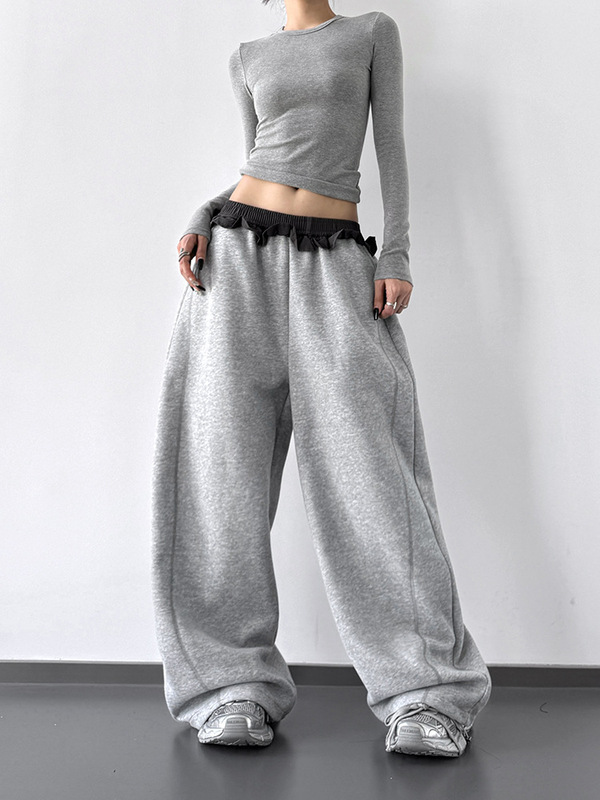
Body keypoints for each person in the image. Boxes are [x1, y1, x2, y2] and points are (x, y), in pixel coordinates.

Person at [151, 0, 492, 757]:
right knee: (219, 476)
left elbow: (390, 147)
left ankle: (426, 692)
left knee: (371, 478)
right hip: (234, 261)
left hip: (335, 259)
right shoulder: (248, 55)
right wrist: (204, 213)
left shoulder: (371, 33)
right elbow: (259, 158)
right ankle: (229, 685)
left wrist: (395, 253)